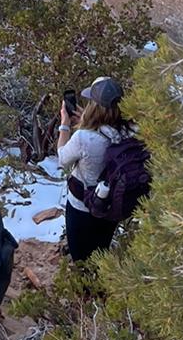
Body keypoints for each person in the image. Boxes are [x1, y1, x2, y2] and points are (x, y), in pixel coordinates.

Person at [57, 76, 132, 262]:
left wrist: (64, 125)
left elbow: (62, 159)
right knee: (101, 251)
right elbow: (108, 130)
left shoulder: (84, 138)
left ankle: (85, 288)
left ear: (94, 106)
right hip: (111, 207)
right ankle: (100, 283)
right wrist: (86, 119)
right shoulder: (129, 131)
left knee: (80, 256)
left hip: (82, 207)